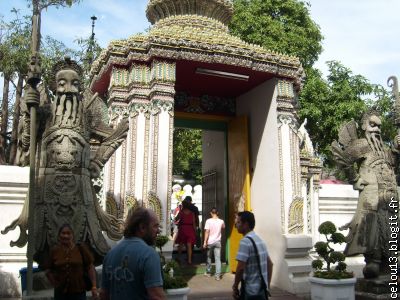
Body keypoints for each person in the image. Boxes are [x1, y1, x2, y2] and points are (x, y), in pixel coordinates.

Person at [2, 57, 129, 266]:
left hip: (79, 190)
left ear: (80, 89)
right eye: (62, 84)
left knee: (83, 248)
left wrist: (97, 162)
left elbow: (117, 134)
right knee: (46, 248)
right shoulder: (44, 114)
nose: (68, 90)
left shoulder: (87, 116)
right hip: (46, 188)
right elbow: (27, 142)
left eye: (75, 84)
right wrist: (29, 111)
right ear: (54, 87)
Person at [332, 110, 400, 278]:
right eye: (372, 125)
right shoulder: (361, 145)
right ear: (364, 126)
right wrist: (355, 178)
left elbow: (394, 165)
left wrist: (397, 147)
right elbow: (344, 159)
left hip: (389, 195)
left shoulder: (384, 149)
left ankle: (388, 261)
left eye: (379, 126)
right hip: (372, 195)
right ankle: (374, 260)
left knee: (392, 226)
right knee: (372, 228)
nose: (376, 129)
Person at [100, 208, 165, 300]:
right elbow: (156, 296)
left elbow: (103, 294)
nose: (158, 231)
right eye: (155, 226)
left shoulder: (110, 254)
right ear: (142, 227)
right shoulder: (149, 255)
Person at [45, 224, 98, 300]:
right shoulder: (54, 251)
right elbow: (48, 269)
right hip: (61, 294)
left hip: (79, 293)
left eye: (68, 233)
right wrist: (55, 283)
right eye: (63, 233)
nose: (66, 236)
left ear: (72, 235)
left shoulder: (81, 249)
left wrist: (94, 287)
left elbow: (90, 267)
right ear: (59, 235)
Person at [232, 211, 273, 300]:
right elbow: (270, 264)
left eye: (238, 222)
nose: (236, 225)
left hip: (250, 291)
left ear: (246, 224)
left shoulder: (245, 242)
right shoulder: (260, 240)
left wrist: (235, 286)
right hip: (262, 290)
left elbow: (240, 268)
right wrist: (267, 286)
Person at [203, 207, 225, 280]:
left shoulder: (208, 221)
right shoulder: (221, 221)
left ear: (211, 213)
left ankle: (208, 272)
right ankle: (217, 275)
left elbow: (207, 232)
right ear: (217, 213)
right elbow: (223, 227)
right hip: (218, 242)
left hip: (210, 242)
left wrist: (205, 242)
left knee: (209, 257)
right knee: (218, 259)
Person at [175, 199, 196, 264]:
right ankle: (189, 260)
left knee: (181, 244)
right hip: (190, 229)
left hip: (183, 228)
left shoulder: (181, 212)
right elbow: (194, 223)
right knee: (189, 245)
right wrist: (194, 231)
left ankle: (178, 258)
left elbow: (176, 219)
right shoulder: (192, 213)